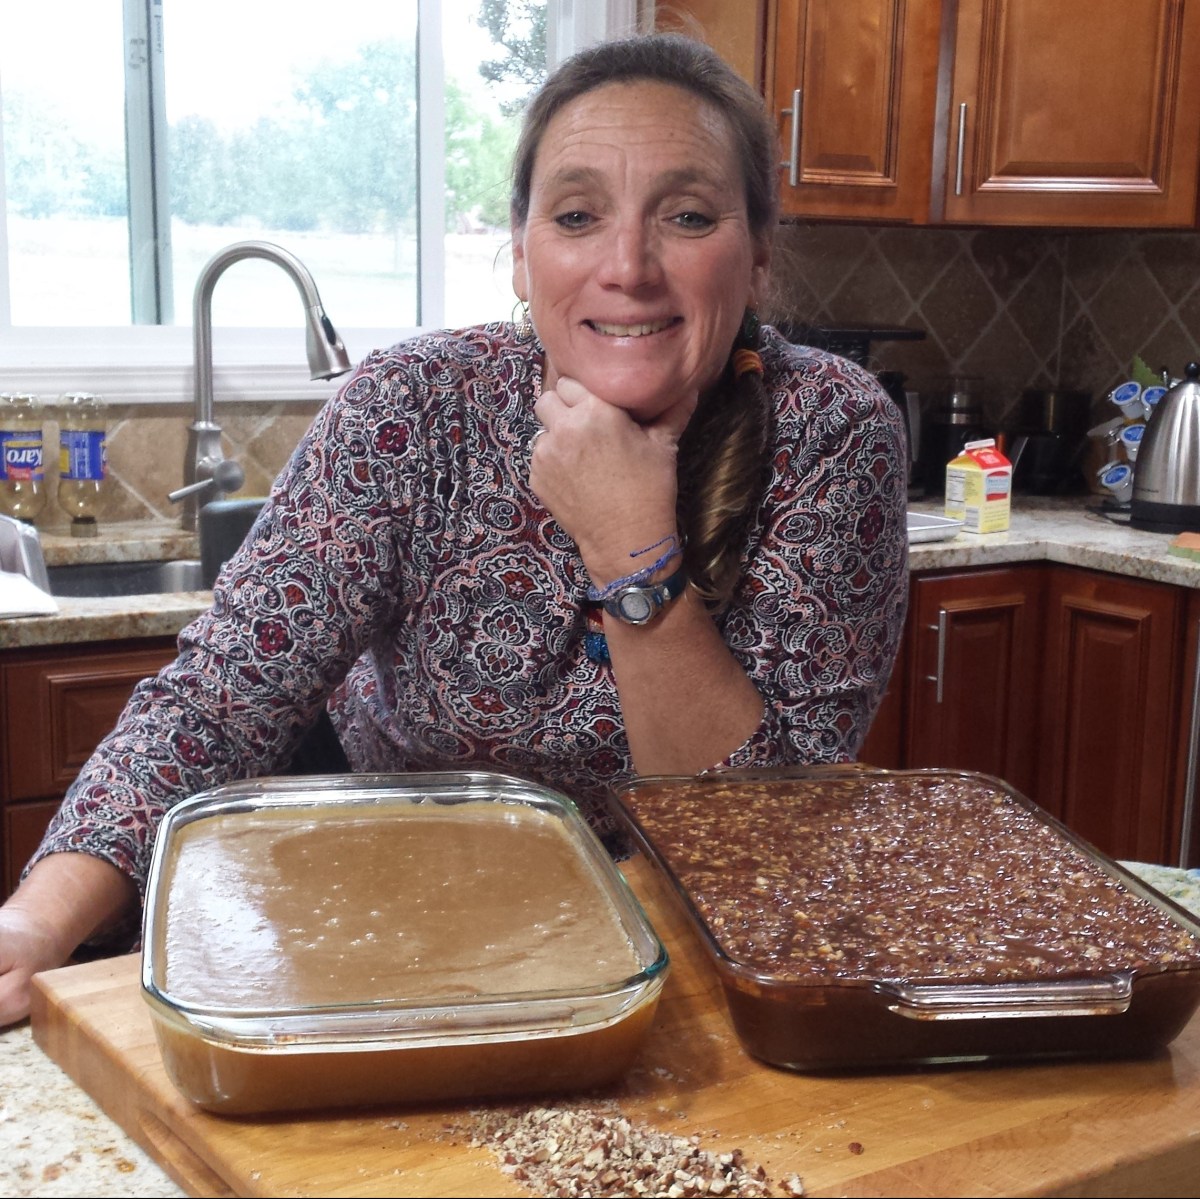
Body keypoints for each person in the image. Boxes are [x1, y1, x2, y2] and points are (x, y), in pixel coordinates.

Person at [0, 32, 908, 1027]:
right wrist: (34, 924)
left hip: (685, 954)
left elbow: (760, 848)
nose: (628, 266)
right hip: (396, 931)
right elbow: (219, 700)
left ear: (759, 254)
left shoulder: (832, 429)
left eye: (687, 216)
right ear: (521, 253)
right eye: (577, 216)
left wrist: (630, 545)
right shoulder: (415, 406)